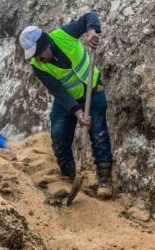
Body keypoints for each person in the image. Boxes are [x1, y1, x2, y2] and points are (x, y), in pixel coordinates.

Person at [19, 12, 114, 198]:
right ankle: (69, 172)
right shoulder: (38, 66)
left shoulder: (64, 35)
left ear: (45, 44)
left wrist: (91, 32)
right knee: (59, 133)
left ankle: (104, 180)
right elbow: (58, 90)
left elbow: (90, 16)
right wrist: (77, 112)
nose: (37, 58)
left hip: (93, 91)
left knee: (99, 132)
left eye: (38, 54)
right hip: (67, 101)